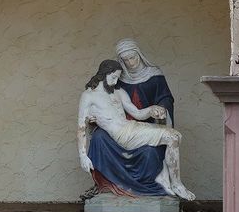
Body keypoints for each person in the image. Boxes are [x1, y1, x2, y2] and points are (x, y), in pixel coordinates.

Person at [77, 59, 195, 201]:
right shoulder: (89, 96)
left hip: (131, 127)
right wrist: (83, 156)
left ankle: (170, 180)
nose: (115, 82)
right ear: (103, 74)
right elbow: (81, 128)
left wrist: (152, 110)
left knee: (175, 136)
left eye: (117, 78)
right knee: (173, 137)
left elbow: (137, 113)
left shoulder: (118, 92)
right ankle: (176, 184)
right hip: (123, 136)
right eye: (113, 77)